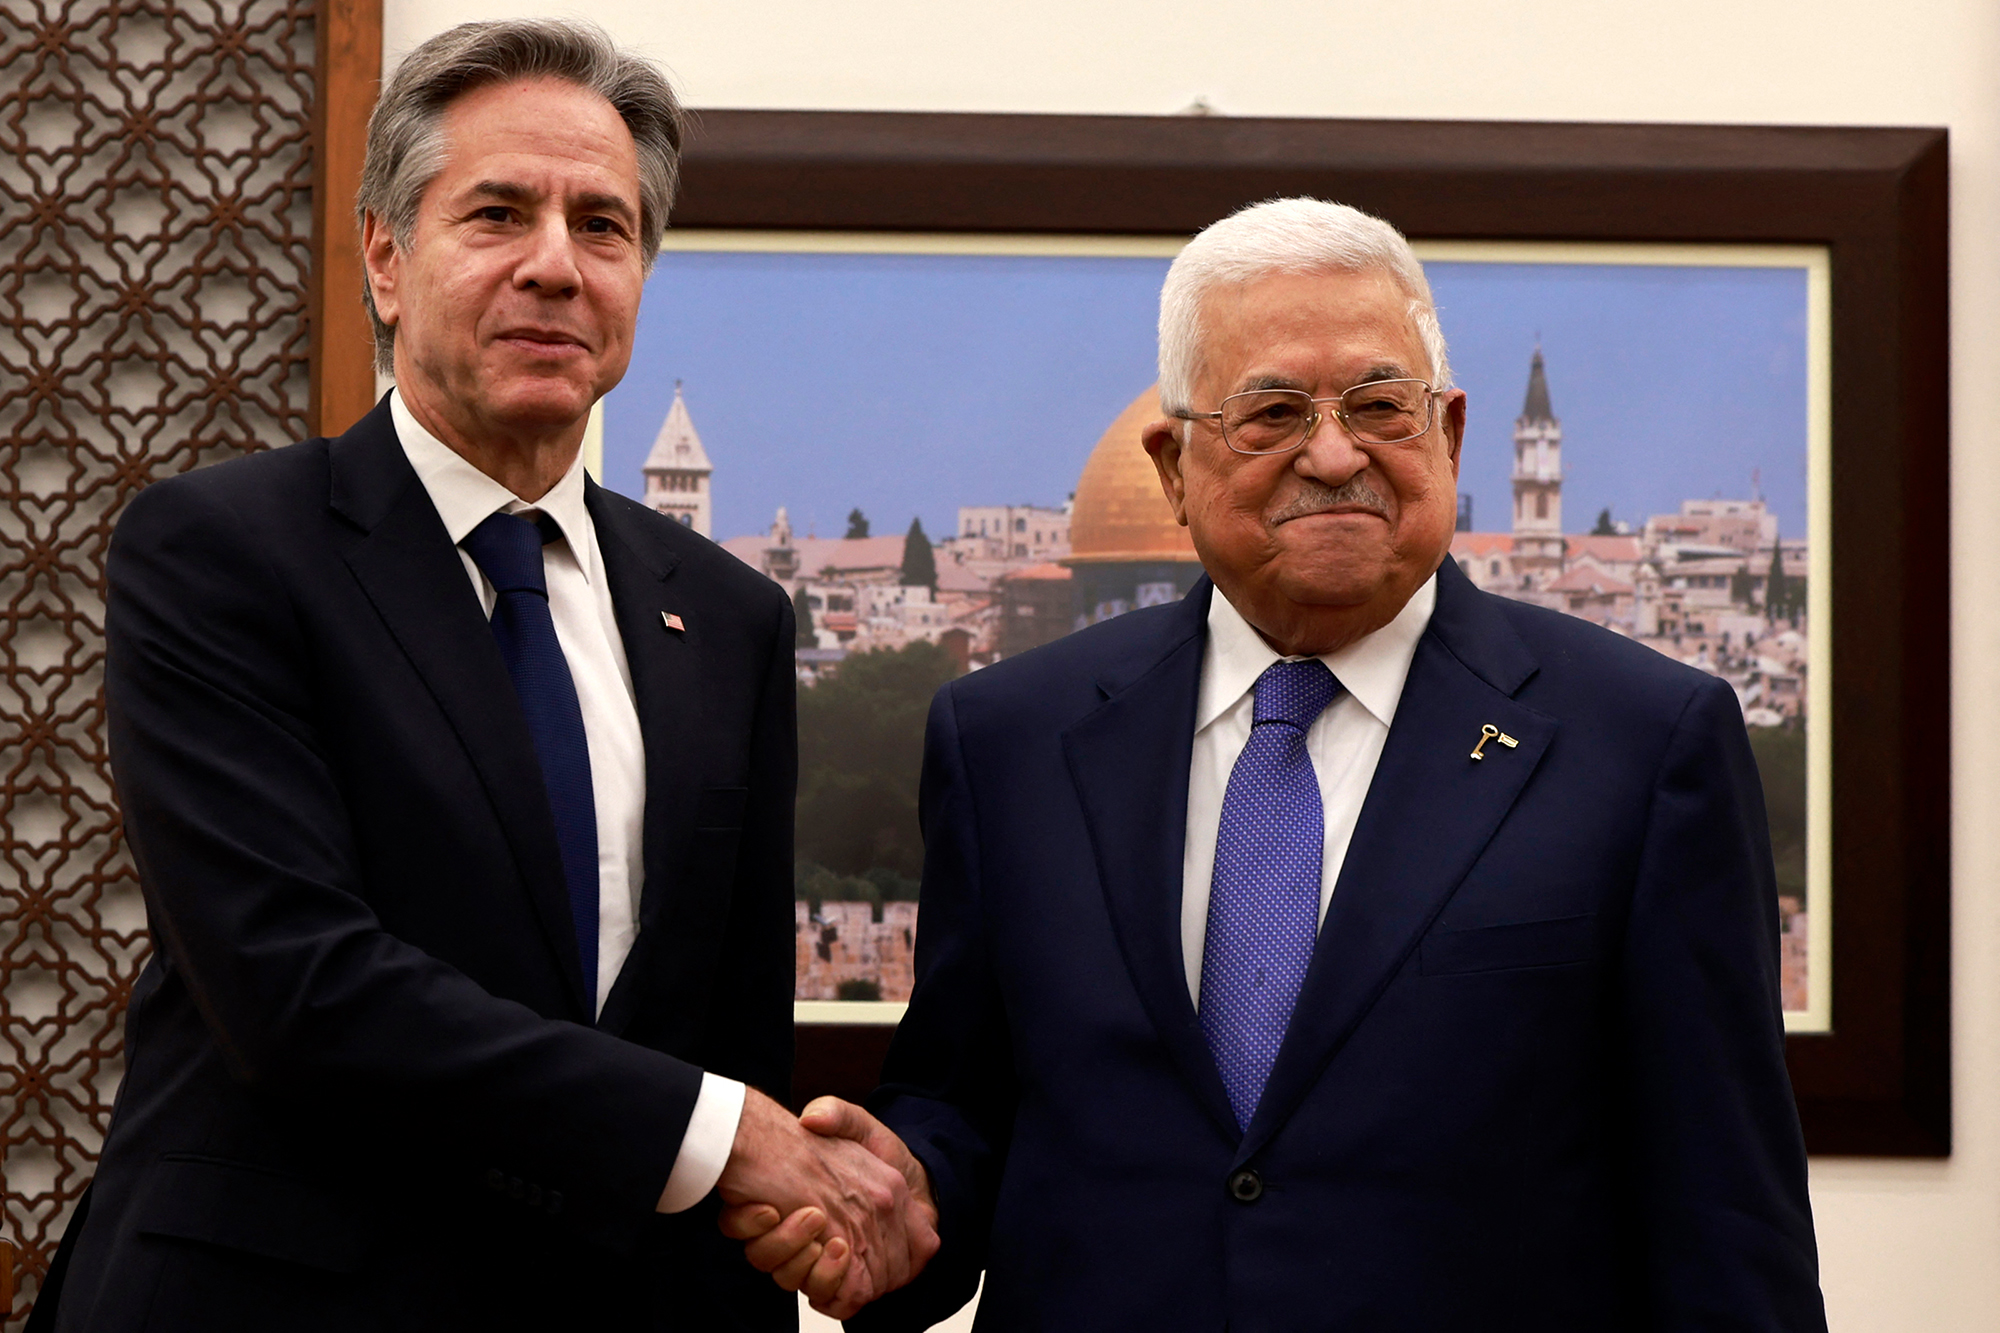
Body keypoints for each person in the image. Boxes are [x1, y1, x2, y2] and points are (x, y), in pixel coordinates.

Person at [736, 198, 1828, 1329]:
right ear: (1170, 464)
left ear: (1447, 434)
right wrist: (901, 1202)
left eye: (1377, 404)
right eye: (1268, 412)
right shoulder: (1011, 738)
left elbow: (1724, 1220)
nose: (1333, 451)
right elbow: (970, 1112)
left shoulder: (1641, 745)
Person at [34, 20, 930, 1332]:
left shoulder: (726, 617)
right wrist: (720, 1133)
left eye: (604, 227)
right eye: (499, 213)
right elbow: (296, 985)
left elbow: (725, 1036)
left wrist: (785, 1207)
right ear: (385, 259)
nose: (557, 267)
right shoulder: (222, 550)